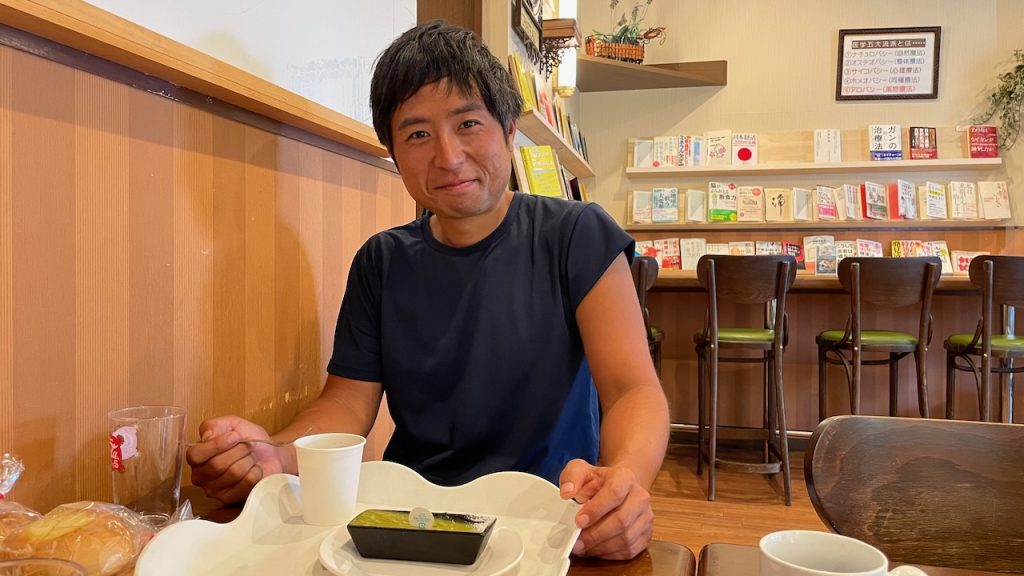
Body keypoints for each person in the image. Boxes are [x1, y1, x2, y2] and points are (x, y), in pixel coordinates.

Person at [186, 20, 669, 560]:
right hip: (413, 526)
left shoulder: (577, 235)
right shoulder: (381, 260)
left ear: (509, 129)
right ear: (393, 152)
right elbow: (346, 403)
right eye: (417, 134)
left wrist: (625, 481)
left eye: (468, 124)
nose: (448, 155)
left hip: (549, 519)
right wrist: (275, 454)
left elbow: (632, 390)